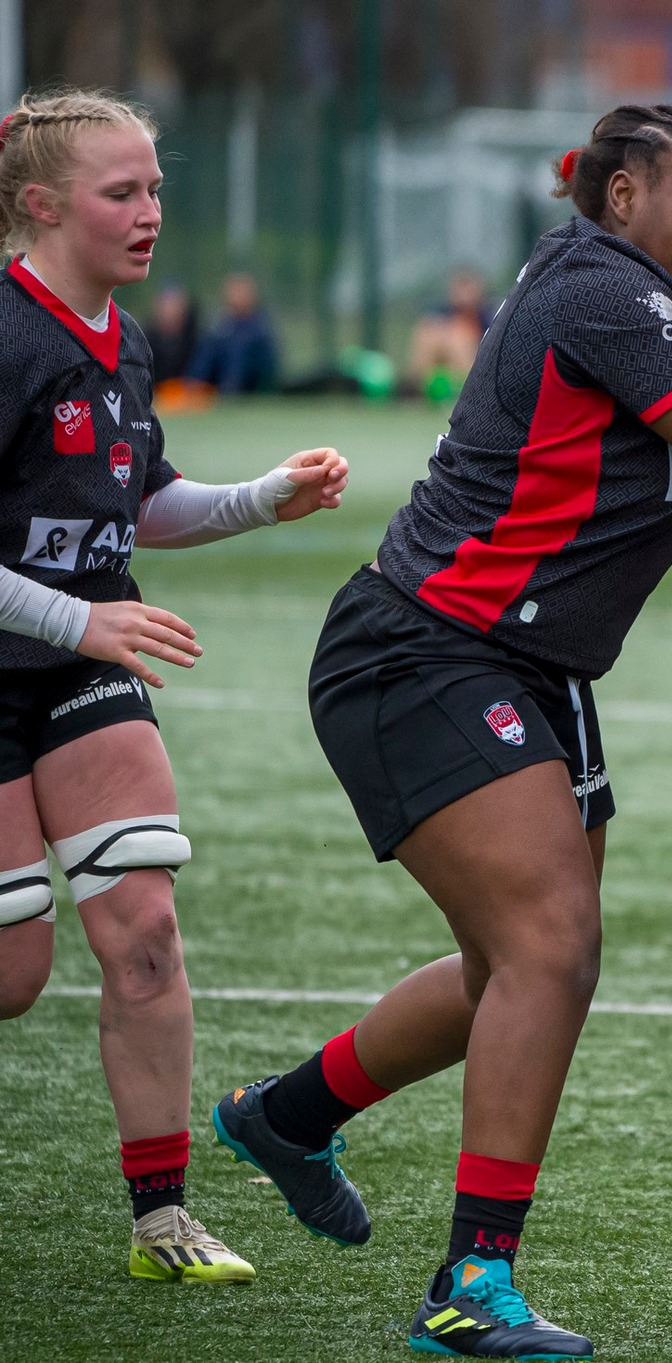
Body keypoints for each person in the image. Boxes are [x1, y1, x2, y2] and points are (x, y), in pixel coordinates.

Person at [209, 104, 672, 1360]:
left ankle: (285, 1117)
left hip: (531, 666)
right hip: (423, 648)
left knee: (511, 966)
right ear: (622, 196)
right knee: (549, 946)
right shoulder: (602, 288)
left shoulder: (647, 300)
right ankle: (471, 1279)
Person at [0, 88, 349, 1285]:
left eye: (156, 187)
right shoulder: (7, 334)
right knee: (14, 973)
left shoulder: (127, 338)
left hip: (78, 671)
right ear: (43, 205)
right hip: (46, 650)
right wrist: (78, 618)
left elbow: (137, 499)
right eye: (122, 192)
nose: (152, 211)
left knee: (144, 930)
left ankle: (162, 1222)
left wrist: (261, 499)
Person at [407, 269, 496, 400]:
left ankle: (461, 389)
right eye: (460, 287)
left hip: (476, 370)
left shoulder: (489, 317)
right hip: (442, 371)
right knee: (429, 333)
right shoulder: (442, 313)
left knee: (458, 338)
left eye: (468, 287)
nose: (464, 295)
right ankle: (418, 389)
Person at [188, 270, 278, 394]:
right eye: (233, 292)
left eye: (241, 292)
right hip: (219, 382)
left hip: (250, 382)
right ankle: (195, 387)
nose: (236, 297)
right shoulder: (222, 325)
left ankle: (229, 391)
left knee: (238, 348)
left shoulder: (260, 326)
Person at [142, 279, 196, 381]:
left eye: (174, 304)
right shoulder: (144, 343)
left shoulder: (194, 344)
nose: (170, 312)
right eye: (166, 305)